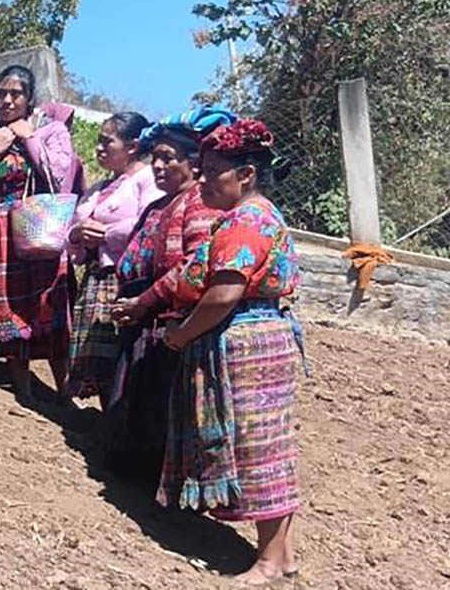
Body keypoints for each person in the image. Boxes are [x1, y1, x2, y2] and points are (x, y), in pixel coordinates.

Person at [157, 119, 305, 586]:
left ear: (246, 175)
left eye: (213, 170)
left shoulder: (245, 222)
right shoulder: (257, 215)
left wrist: (181, 335)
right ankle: (282, 556)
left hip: (245, 345)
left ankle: (268, 563)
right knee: (268, 445)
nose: (202, 180)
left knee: (257, 449)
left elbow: (223, 294)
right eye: (201, 170)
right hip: (261, 338)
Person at [105, 107, 233, 476]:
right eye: (155, 158)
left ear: (193, 164)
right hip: (143, 318)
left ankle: (151, 482)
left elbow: (193, 265)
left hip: (166, 322)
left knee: (158, 407)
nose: (158, 166)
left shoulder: (197, 203)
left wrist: (144, 302)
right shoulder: (160, 204)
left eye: (168, 158)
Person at [0, 65, 82, 402]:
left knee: (49, 305)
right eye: (1, 93)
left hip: (40, 228)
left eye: (16, 94)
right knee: (7, 308)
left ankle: (65, 394)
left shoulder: (51, 131)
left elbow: (58, 176)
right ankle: (23, 393)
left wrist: (29, 138)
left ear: (30, 98)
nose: (8, 101)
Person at [65, 112, 162, 405]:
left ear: (133, 146)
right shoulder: (98, 189)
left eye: (107, 142)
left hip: (124, 281)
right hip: (96, 279)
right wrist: (77, 234)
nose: (99, 148)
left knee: (118, 354)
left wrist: (104, 233)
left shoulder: (148, 179)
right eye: (99, 141)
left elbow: (148, 224)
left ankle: (116, 417)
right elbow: (73, 231)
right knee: (98, 357)